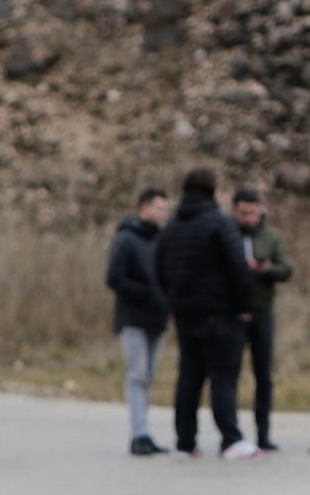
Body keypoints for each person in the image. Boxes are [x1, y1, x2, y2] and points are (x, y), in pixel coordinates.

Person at [154, 168, 258, 460]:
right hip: (221, 314)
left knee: (189, 376)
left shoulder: (172, 227)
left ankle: (185, 442)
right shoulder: (220, 224)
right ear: (213, 191)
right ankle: (231, 439)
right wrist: (244, 306)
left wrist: (174, 301)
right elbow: (238, 268)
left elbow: (159, 268)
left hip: (185, 315)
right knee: (224, 377)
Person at [107, 187, 171, 455]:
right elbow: (114, 277)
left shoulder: (163, 240)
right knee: (137, 374)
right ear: (144, 208)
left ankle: (145, 431)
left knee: (148, 376)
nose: (164, 213)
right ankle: (138, 434)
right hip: (133, 317)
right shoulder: (126, 238)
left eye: (166, 208)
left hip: (158, 317)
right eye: (159, 208)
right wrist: (145, 293)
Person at [232, 188, 292, 451]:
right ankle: (232, 434)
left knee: (263, 376)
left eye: (253, 213)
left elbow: (285, 269)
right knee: (229, 375)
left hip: (262, 312)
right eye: (244, 213)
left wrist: (267, 269)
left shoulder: (271, 237)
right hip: (233, 314)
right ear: (235, 211)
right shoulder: (228, 234)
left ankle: (263, 434)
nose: (249, 218)